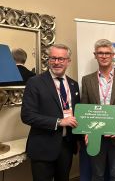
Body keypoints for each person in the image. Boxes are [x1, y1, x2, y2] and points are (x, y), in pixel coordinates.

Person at [21, 44, 80, 181]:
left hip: (66, 146)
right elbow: (27, 115)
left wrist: (79, 139)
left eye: (61, 59)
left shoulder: (73, 84)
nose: (57, 62)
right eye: (53, 58)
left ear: (68, 61)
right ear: (48, 60)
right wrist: (59, 122)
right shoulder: (35, 82)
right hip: (43, 147)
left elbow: (76, 113)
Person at [81, 39, 115, 181]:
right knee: (97, 175)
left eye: (107, 53)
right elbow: (84, 108)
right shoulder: (87, 80)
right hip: (95, 135)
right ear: (95, 55)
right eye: (100, 53)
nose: (103, 56)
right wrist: (86, 130)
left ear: (113, 55)